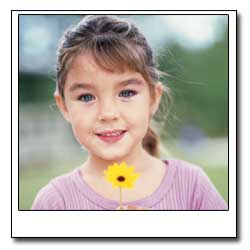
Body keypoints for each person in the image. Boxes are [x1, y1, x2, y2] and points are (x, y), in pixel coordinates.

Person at [31, 15, 227, 210]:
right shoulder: (55, 202)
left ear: (153, 98)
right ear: (64, 106)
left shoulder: (192, 187)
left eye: (126, 93)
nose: (107, 113)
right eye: (86, 97)